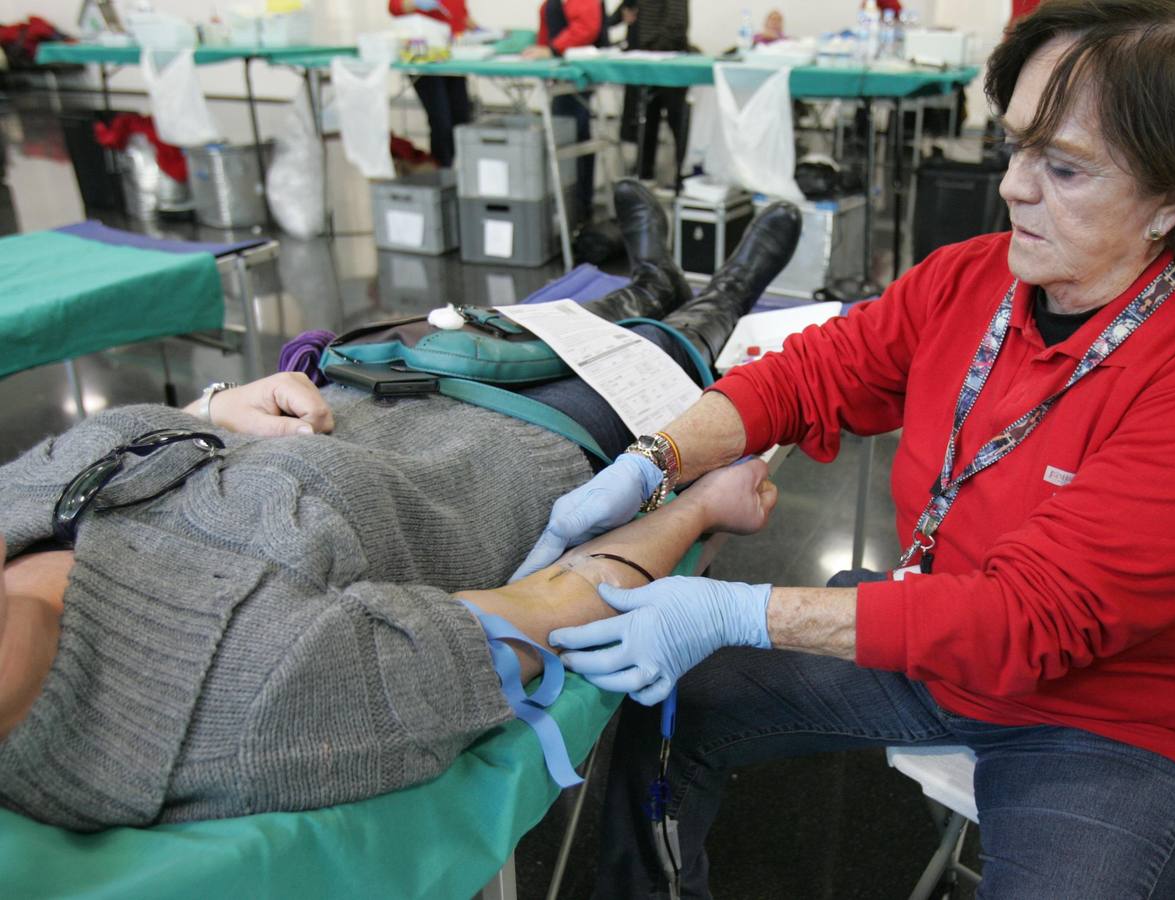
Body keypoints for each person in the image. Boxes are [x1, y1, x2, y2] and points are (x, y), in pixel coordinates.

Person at [516, 1, 1175, 896]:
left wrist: (734, 611)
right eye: (1012, 146)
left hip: (1113, 725)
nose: (1015, 186)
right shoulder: (973, 280)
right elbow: (810, 374)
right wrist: (657, 460)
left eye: (1063, 167)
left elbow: (1028, 620)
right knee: (671, 705)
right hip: (937, 646)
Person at [0, 183, 803, 832]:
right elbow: (547, 609)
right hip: (521, 447)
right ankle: (731, 291)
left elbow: (144, 454)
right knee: (665, 346)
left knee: (578, 318)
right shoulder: (245, 704)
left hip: (388, 376)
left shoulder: (13, 515)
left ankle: (652, 269)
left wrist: (216, 407)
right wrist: (697, 509)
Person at [521, 0, 609, 222]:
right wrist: (541, 51)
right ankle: (572, 207)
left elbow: (586, 28)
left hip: (575, 76)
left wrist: (552, 49)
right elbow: (547, 25)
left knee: (573, 138)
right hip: (561, 76)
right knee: (566, 136)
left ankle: (578, 208)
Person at [390, 0, 477, 168]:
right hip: (424, 61)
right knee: (441, 120)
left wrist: (483, 32)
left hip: (451, 60)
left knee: (461, 117)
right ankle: (442, 172)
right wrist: (416, 3)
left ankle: (462, 172)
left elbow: (461, 16)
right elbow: (395, 7)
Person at [617, 1, 691, 182]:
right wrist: (624, 14)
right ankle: (644, 176)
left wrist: (651, 49)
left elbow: (676, 25)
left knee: (677, 123)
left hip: (668, 64)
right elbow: (623, 10)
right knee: (647, 122)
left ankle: (683, 178)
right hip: (648, 64)